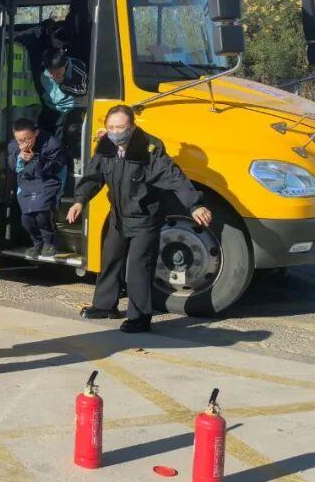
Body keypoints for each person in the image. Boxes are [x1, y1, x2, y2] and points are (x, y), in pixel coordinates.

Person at [67, 104, 212, 333]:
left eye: (120, 128)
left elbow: (173, 177)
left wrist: (194, 205)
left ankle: (139, 317)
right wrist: (80, 201)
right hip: (118, 215)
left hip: (145, 217)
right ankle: (104, 306)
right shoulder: (106, 146)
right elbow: (94, 176)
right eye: (111, 127)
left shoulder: (149, 149)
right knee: (111, 259)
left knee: (137, 268)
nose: (115, 132)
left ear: (132, 127)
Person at [8, 118, 67, 260]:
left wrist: (35, 159)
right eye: (20, 140)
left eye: (27, 139)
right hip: (26, 181)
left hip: (48, 179)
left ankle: (49, 241)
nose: (24, 143)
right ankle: (37, 242)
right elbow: (13, 166)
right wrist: (20, 157)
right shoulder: (14, 146)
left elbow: (54, 168)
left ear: (36, 133)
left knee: (41, 212)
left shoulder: (52, 144)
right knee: (26, 218)